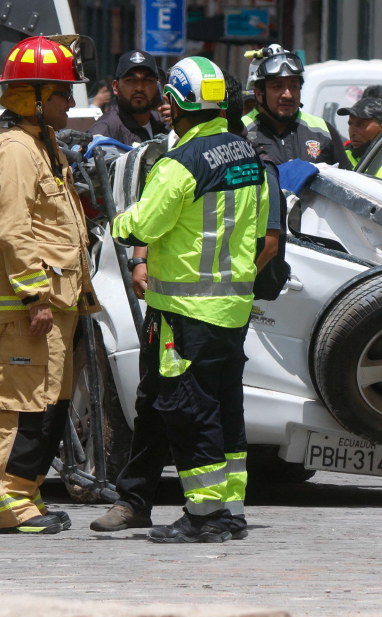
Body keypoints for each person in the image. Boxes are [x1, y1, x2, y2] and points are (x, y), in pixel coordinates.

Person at [90, 73, 278, 536]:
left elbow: (144, 226)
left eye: (171, 99)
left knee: (191, 412)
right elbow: (256, 234)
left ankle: (205, 515)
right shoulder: (248, 157)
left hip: (186, 313)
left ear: (181, 101)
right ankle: (228, 510)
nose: (166, 106)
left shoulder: (179, 163)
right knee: (219, 408)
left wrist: (117, 222)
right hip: (231, 311)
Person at [0, 35, 100, 534]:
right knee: (18, 404)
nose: (71, 102)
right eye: (62, 93)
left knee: (47, 403)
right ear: (32, 97)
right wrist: (33, 294)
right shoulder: (13, 151)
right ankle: (4, 501)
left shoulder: (40, 146)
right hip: (33, 305)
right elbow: (10, 227)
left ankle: (24, 494)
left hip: (56, 303)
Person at [243, 44, 348, 167]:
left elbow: (347, 180)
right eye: (277, 86)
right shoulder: (240, 132)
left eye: (294, 86)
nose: (288, 95)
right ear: (259, 94)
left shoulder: (323, 131)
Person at [89, 50, 168, 145]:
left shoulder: (165, 123)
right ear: (115, 87)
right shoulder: (104, 131)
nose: (139, 88)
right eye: (130, 80)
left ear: (157, 86)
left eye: (147, 80)